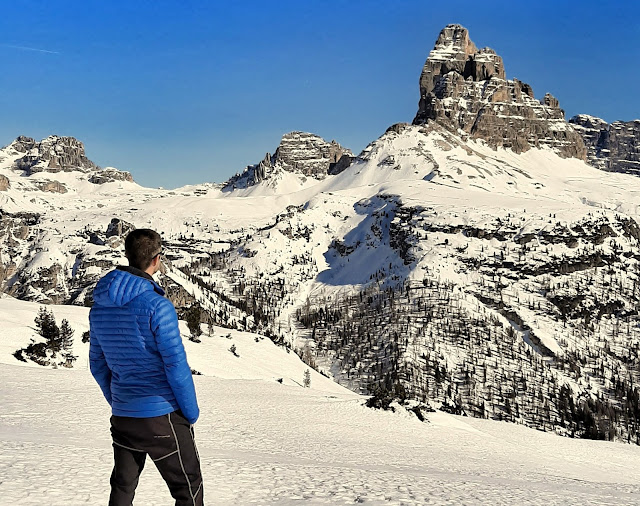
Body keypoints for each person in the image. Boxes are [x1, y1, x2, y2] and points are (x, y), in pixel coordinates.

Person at [89, 229, 203, 506]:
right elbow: (175, 365)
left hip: (124, 415)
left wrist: (119, 401)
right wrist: (189, 412)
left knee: (122, 488)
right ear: (156, 259)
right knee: (189, 489)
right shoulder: (157, 305)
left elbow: (98, 364)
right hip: (161, 415)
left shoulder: (99, 307)